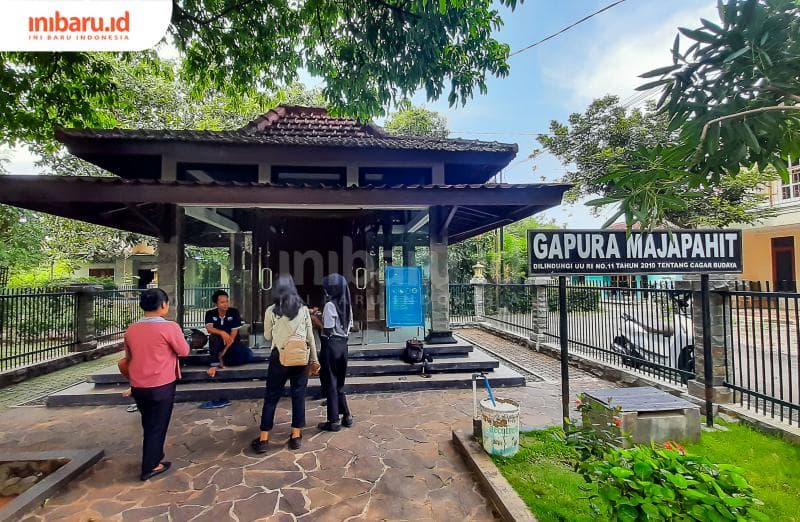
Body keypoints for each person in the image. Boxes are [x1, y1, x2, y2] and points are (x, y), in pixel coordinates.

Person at [123, 288, 189, 481]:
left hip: (139, 385)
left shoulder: (131, 329)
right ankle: (150, 466)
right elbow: (184, 351)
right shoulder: (169, 327)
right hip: (161, 383)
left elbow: (129, 357)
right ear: (163, 305)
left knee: (149, 422)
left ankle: (155, 456)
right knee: (158, 425)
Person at [251, 275, 319, 453]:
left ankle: (264, 439)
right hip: (301, 358)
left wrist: (279, 332)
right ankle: (296, 436)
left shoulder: (271, 311)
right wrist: (315, 359)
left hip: (280, 357)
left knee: (271, 396)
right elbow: (310, 337)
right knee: (299, 395)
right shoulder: (303, 310)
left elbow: (267, 336)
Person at [201, 290, 254, 409]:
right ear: (216, 304)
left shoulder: (234, 312)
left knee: (247, 356)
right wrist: (222, 332)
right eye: (222, 302)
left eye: (227, 301)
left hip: (231, 345)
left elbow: (233, 336)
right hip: (218, 344)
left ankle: (222, 358)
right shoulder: (210, 313)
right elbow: (209, 329)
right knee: (213, 338)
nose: (225, 304)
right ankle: (214, 364)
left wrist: (223, 352)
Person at [315, 273, 354, 432]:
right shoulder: (347, 305)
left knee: (330, 383)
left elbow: (328, 330)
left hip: (331, 346)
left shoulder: (330, 305)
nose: (325, 290)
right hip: (343, 346)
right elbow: (345, 326)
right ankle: (347, 416)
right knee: (339, 383)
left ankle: (333, 421)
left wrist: (315, 319)